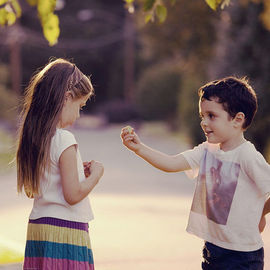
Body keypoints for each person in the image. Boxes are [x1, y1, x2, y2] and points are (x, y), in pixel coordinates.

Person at [121, 76, 270, 270]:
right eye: (202, 116)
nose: (204, 122)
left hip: (242, 255)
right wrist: (139, 148)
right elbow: (171, 163)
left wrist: (260, 211)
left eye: (211, 116)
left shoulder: (247, 156)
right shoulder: (207, 150)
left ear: (237, 119)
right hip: (213, 249)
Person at [16, 58, 104, 270]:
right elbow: (72, 195)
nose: (78, 115)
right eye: (80, 106)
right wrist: (96, 175)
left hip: (39, 229)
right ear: (66, 98)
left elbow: (32, 190)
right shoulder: (64, 139)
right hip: (65, 232)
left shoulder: (35, 138)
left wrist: (75, 171)